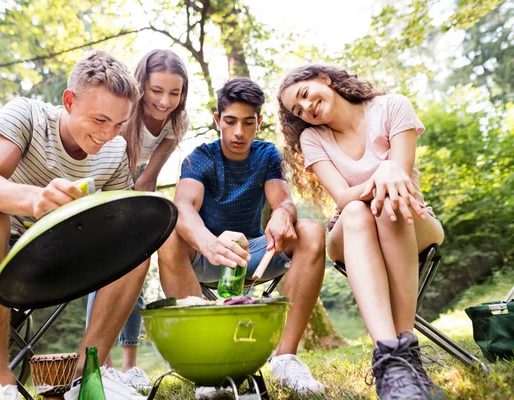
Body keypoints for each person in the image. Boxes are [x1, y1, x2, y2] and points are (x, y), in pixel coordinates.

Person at [0, 49, 146, 400]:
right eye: (99, 120)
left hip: (60, 263)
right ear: (69, 101)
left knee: (136, 245)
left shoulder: (115, 151)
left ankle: (87, 375)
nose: (108, 134)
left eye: (119, 124)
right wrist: (34, 199)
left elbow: (120, 227)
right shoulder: (27, 115)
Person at [277, 64, 446, 400]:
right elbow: (342, 196)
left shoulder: (393, 107)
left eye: (305, 94)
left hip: (412, 219)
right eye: (298, 110)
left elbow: (400, 176)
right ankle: (394, 359)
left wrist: (388, 171)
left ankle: (399, 357)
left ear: (323, 79)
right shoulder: (314, 138)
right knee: (356, 209)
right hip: (352, 231)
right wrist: (383, 172)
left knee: (388, 204)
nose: (306, 108)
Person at [157, 77, 327, 397]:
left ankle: (285, 358)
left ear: (259, 122)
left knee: (311, 232)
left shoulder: (266, 155)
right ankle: (205, 364)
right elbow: (182, 207)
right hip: (208, 257)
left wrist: (281, 215)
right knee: (168, 237)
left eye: (249, 123)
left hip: (254, 254)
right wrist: (210, 244)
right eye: (231, 121)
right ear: (217, 120)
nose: (239, 132)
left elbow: (285, 202)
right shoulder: (199, 158)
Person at [85, 49, 189, 391]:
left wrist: (144, 219)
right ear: (143, 84)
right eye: (157, 91)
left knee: (137, 261)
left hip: (136, 186)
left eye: (174, 93)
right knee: (104, 267)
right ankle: (102, 364)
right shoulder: (125, 116)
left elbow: (148, 179)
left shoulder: (177, 122)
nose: (164, 101)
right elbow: (105, 165)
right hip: (103, 183)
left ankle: (130, 366)